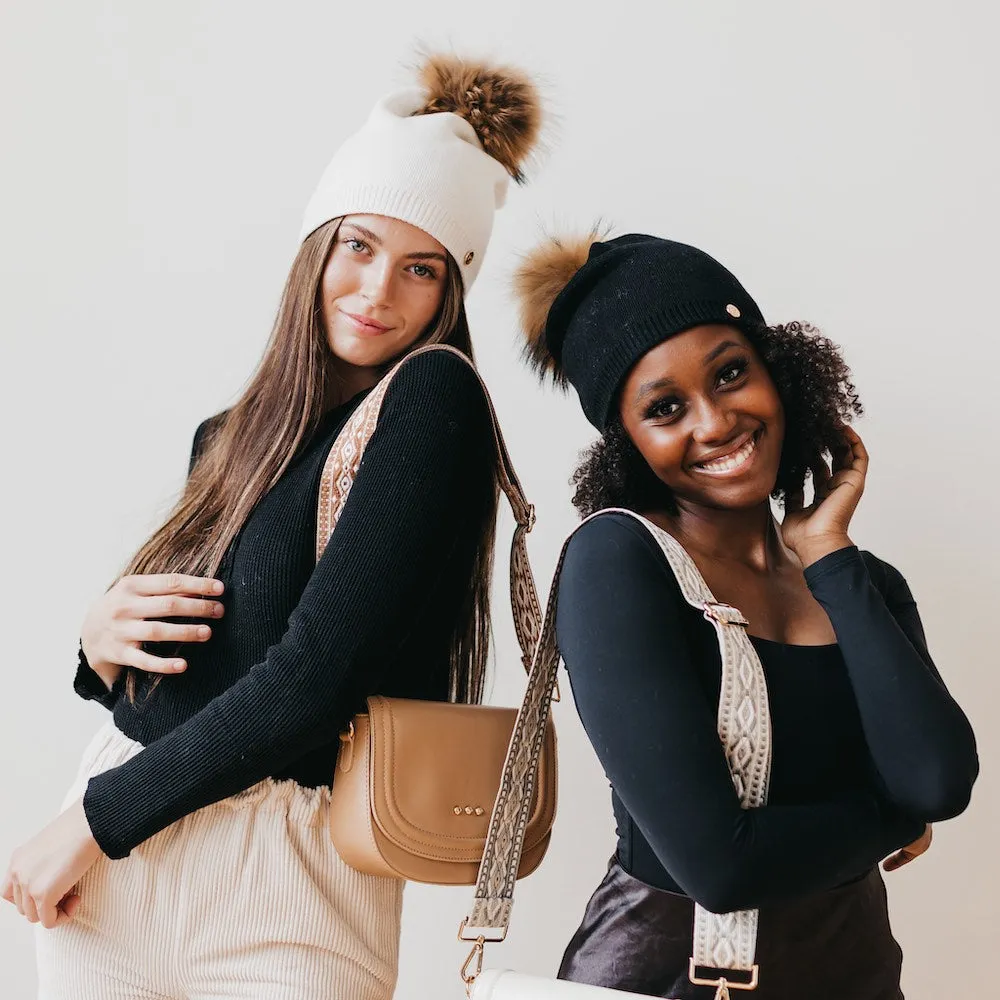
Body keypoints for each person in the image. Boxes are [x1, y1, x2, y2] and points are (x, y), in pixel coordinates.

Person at [3, 53, 542, 1000]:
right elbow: (205, 662)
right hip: (124, 872)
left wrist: (87, 824)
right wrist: (96, 647)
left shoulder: (433, 404)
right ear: (316, 250)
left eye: (422, 269)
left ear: (450, 294)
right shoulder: (231, 435)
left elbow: (313, 678)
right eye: (359, 247)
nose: (379, 292)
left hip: (282, 885)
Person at [514, 231, 978, 998]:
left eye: (731, 373)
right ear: (626, 441)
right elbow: (721, 867)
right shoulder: (620, 564)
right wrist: (890, 821)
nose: (716, 421)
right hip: (667, 984)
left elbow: (938, 779)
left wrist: (828, 555)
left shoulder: (860, 583)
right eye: (665, 408)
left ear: (779, 371)